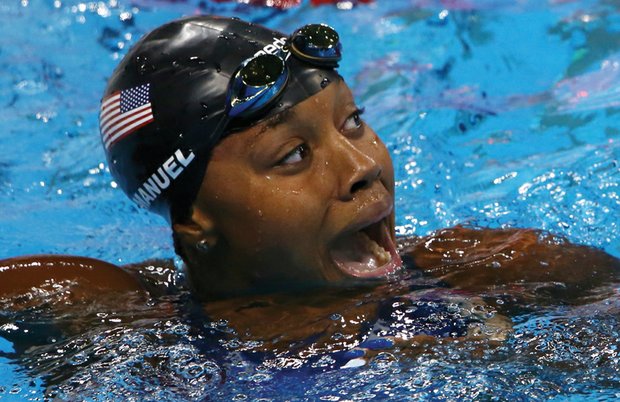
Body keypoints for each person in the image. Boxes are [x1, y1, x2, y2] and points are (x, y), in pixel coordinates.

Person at [1, 16, 618, 355]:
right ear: (193, 218)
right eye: (293, 154)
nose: (361, 167)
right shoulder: (122, 316)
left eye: (353, 121)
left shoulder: (484, 272)